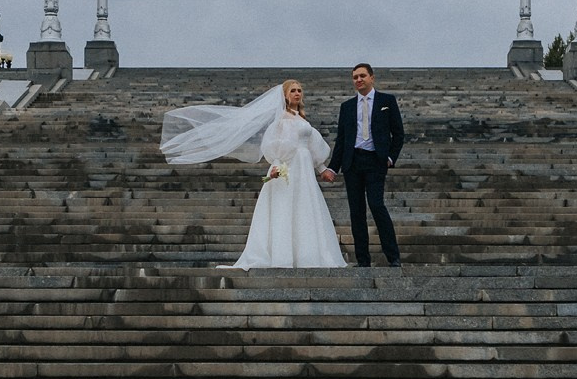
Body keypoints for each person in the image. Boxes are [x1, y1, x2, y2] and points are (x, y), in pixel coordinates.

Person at [160, 80, 345, 269]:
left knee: (304, 208)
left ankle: (306, 255)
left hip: (305, 170)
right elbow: (277, 145)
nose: (297, 94)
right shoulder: (282, 119)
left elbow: (313, 147)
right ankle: (284, 255)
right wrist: (277, 165)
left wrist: (322, 169)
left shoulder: (302, 119)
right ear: (285, 95)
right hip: (290, 168)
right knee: (287, 208)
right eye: (293, 91)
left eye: (299, 90)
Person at [322, 62, 404, 267]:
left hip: (376, 161)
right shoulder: (347, 106)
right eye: (355, 77)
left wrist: (390, 157)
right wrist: (333, 167)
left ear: (372, 77)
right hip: (353, 163)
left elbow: (399, 133)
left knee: (377, 205)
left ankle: (393, 256)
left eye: (362, 76)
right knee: (356, 212)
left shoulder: (387, 101)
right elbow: (342, 139)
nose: (358, 80)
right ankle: (363, 260)